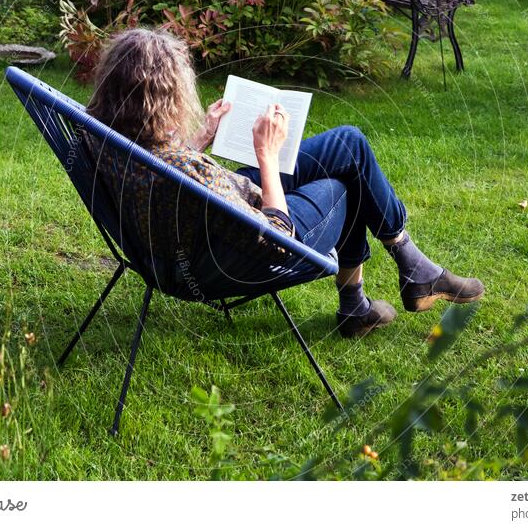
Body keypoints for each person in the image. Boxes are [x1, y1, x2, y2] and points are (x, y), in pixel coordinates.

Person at [87, 28, 484, 337]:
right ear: (165, 102)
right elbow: (277, 236)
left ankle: (401, 270)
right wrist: (267, 156)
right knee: (344, 183)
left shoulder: (104, 140)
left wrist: (200, 138)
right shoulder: (188, 172)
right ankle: (368, 295)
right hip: (234, 248)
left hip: (206, 220)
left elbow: (168, 174)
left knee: (349, 144)